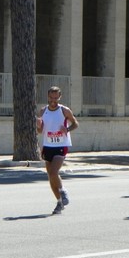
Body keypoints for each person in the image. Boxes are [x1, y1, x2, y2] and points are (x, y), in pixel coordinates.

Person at [36, 86, 78, 214]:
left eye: (56, 98)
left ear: (59, 97)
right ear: (48, 97)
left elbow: (75, 123)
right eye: (51, 97)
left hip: (61, 145)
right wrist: (38, 126)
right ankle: (59, 202)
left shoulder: (64, 110)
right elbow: (40, 130)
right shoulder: (43, 111)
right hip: (48, 145)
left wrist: (67, 129)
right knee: (50, 176)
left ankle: (62, 191)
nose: (53, 100)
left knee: (54, 172)